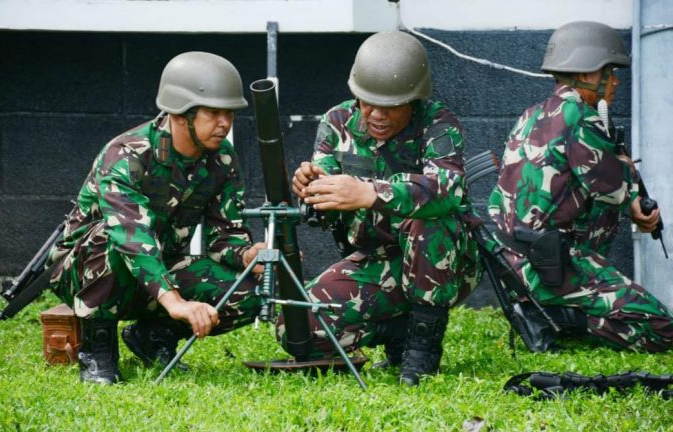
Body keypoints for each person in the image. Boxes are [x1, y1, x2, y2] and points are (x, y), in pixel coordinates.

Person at [46, 52, 266, 384]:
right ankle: (98, 349)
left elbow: (225, 235)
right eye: (214, 113)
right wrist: (175, 301)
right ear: (181, 114)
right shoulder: (128, 154)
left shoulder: (222, 160)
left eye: (230, 113)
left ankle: (152, 337)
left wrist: (249, 255)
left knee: (252, 290)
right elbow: (132, 237)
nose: (225, 123)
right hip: (88, 269)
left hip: (160, 266)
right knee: (113, 236)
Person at [284, 31, 481, 386]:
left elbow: (448, 189)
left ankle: (422, 352)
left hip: (446, 262)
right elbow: (325, 203)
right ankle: (399, 331)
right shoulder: (337, 121)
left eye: (389, 106)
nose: (375, 114)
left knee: (428, 219)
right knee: (297, 328)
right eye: (366, 102)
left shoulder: (438, 123)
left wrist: (369, 192)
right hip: (378, 260)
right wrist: (310, 188)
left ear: (414, 100)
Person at [488, 21, 673, 351]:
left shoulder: (531, 114)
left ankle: (554, 307)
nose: (615, 81)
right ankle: (560, 316)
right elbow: (619, 194)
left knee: (594, 204)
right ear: (588, 73)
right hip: (547, 265)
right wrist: (642, 212)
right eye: (610, 72)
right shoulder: (579, 116)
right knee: (662, 328)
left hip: (513, 263)